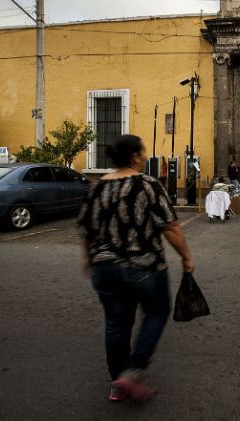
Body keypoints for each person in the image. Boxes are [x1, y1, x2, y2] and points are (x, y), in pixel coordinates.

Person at [78, 134, 195, 403]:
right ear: (134, 157)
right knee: (157, 312)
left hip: (104, 267)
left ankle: (118, 383)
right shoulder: (147, 185)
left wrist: (88, 259)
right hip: (144, 264)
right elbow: (170, 226)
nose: (144, 156)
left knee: (116, 322)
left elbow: (87, 231)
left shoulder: (96, 188)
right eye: (142, 152)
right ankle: (134, 371)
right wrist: (186, 257)